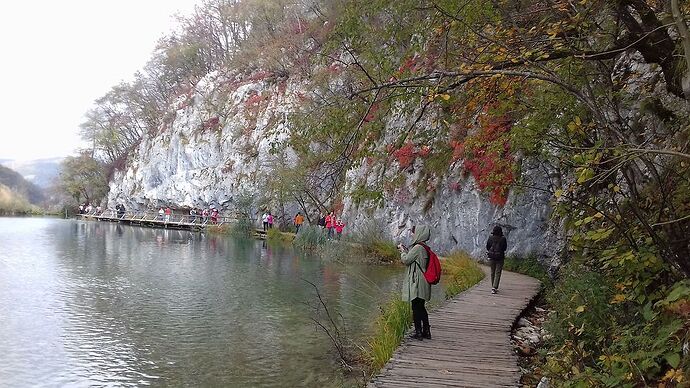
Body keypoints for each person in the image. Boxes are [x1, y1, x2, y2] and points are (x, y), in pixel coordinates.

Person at [399, 225, 433, 340]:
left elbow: (406, 260)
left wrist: (403, 252)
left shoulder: (418, 247)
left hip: (417, 282)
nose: (412, 235)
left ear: (418, 233)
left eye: (413, 233)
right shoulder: (425, 247)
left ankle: (418, 332)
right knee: (421, 307)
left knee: (416, 306)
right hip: (424, 281)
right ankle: (426, 331)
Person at [486, 225, 508, 294]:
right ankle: (495, 287)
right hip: (500, 257)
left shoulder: (490, 238)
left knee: (492, 272)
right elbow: (504, 248)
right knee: (498, 272)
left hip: (492, 257)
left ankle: (493, 286)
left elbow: (487, 247)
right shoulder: (503, 239)